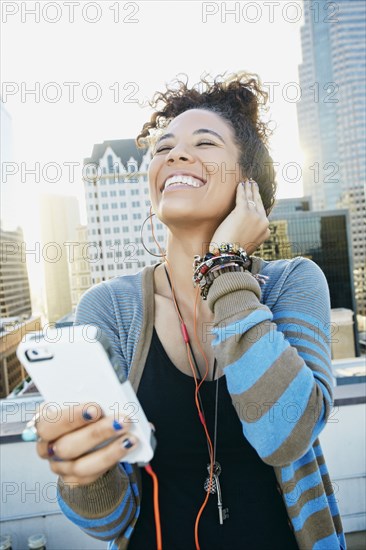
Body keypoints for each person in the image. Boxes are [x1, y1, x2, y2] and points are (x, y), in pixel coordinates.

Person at [32, 73, 346, 549]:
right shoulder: (109, 308)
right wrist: (83, 475)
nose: (174, 155)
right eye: (162, 148)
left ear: (248, 185)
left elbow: (286, 436)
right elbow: (110, 526)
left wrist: (222, 267)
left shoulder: (293, 283)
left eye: (205, 142)